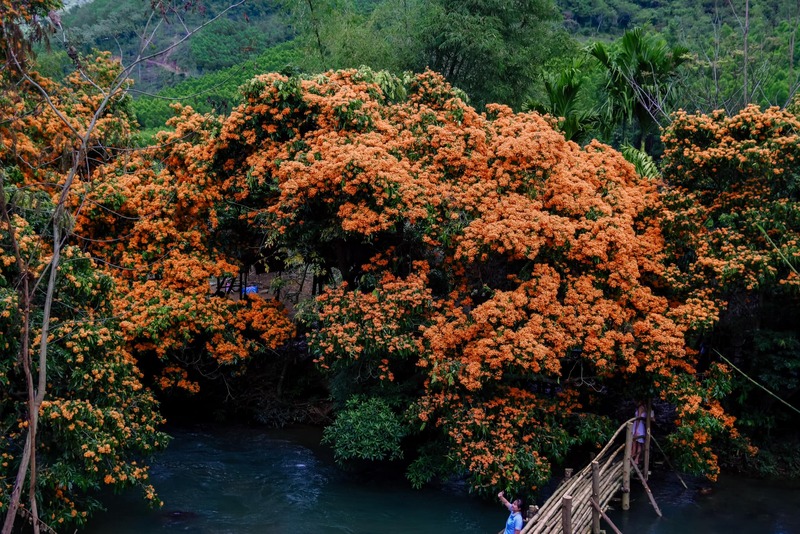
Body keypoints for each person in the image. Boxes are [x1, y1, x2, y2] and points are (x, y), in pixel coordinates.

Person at [631, 401, 647, 466]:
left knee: (634, 442)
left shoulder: (640, 408)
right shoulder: (645, 408)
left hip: (638, 426)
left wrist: (636, 430)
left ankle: (633, 457)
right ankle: (636, 459)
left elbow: (638, 419)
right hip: (641, 426)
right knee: (639, 444)